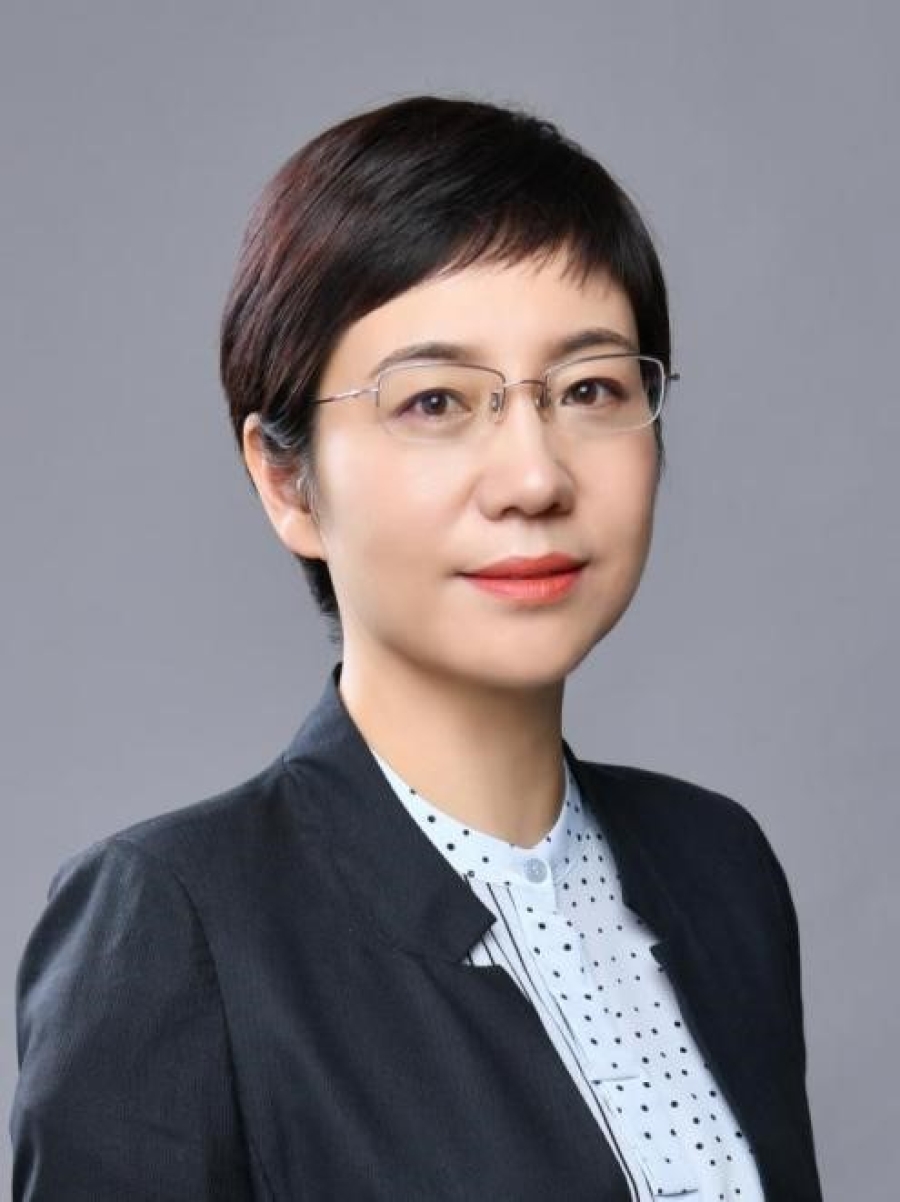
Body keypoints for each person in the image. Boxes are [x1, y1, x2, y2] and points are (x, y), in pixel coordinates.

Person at [9, 95, 823, 1201]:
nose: (535, 478)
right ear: (287, 480)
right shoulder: (175, 926)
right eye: (435, 400)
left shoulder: (717, 867)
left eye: (590, 388)